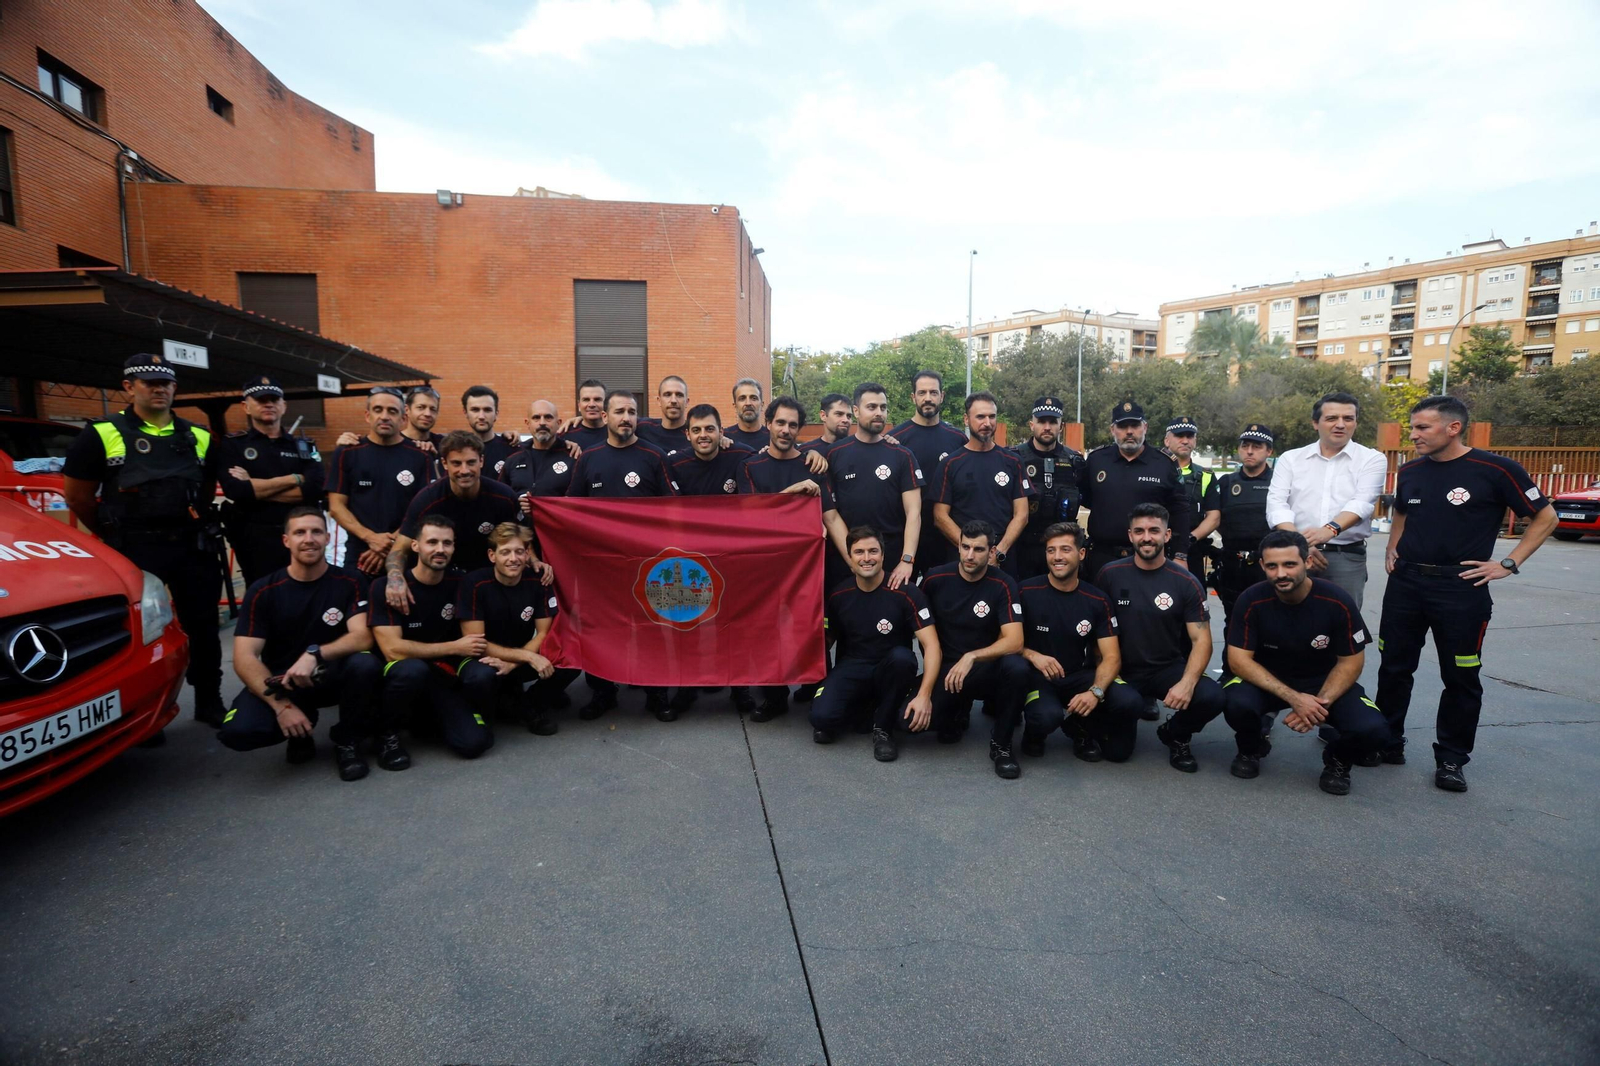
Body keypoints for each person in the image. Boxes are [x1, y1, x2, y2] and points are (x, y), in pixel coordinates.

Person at [1375, 395, 1557, 792]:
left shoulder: (1495, 469)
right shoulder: (1410, 471)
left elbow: (1546, 516)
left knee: (1460, 675)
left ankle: (1452, 759)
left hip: (1461, 589)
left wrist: (1507, 563)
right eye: (1413, 427)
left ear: (1453, 427)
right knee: (1393, 667)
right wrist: (1394, 546)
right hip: (1405, 584)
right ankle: (1386, 742)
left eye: (1422, 427)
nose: (1414, 434)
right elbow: (1403, 511)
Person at [61, 352, 226, 730]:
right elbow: (78, 497)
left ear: (174, 388)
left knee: (203, 627)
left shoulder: (198, 435)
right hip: (134, 547)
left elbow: (207, 490)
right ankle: (143, 710)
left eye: (165, 382)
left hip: (191, 546)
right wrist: (109, 534)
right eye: (149, 381)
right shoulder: (101, 433)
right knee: (140, 634)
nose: (158, 388)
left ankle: (209, 698)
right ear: (128, 386)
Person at [219, 507, 385, 781]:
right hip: (284, 683)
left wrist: (315, 654)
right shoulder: (263, 590)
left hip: (331, 676)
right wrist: (282, 706)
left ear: (327, 536)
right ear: (286, 540)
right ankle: (300, 729)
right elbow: (244, 658)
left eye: (316, 531)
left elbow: (363, 636)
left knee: (365, 664)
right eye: (300, 532)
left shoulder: (350, 581)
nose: (309, 539)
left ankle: (348, 740)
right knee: (239, 732)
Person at [1222, 530, 1389, 795]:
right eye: (1273, 566)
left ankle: (1338, 760)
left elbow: (1351, 663)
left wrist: (1318, 705)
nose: (1281, 574)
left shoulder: (1337, 601)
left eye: (1290, 564)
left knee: (1374, 730)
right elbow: (1238, 661)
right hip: (1270, 681)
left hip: (1322, 683)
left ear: (1308, 562)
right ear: (1263, 565)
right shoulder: (1251, 600)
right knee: (1234, 702)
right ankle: (1251, 748)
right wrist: (1295, 699)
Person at [568, 389, 681, 720]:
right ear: (605, 417)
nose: (626, 418)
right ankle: (603, 692)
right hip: (602, 565)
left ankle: (656, 694)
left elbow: (675, 509)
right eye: (619, 412)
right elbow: (572, 507)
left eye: (632, 412)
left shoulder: (654, 456)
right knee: (601, 628)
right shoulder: (589, 458)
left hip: (648, 563)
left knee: (651, 628)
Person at [739, 396, 850, 721]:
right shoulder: (750, 466)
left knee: (811, 633)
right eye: (780, 423)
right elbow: (748, 514)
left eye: (792, 425)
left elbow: (831, 517)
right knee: (768, 635)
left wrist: (854, 560)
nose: (786, 429)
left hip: (806, 572)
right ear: (769, 424)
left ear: (799, 429)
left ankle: (816, 691)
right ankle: (774, 699)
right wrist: (794, 491)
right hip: (765, 570)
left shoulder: (811, 465)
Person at [1094, 504, 1226, 772]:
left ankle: (1176, 734)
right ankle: (1109, 719)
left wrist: (1187, 684)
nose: (1146, 537)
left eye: (1154, 531)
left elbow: (1202, 641)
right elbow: (1096, 627)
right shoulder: (1109, 574)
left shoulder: (1186, 582)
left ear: (1167, 535)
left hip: (1166, 668)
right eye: (1139, 531)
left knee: (1212, 695)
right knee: (1117, 753)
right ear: (1130, 535)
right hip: (1120, 669)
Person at [1017, 522, 1145, 763]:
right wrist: (1032, 655)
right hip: (1037, 678)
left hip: (1078, 675)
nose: (1057, 557)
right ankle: (1035, 733)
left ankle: (1080, 727)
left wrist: (1094, 693)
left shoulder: (1097, 600)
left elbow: (1111, 657)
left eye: (1065, 549)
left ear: (1081, 553)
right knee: (1045, 717)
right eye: (1051, 550)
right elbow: (1006, 641)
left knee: (1130, 703)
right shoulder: (1025, 591)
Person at [368, 515, 493, 760]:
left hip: (441, 678)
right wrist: (454, 646)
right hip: (403, 677)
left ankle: (431, 721)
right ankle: (387, 735)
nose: (440, 549)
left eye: (447, 543)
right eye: (432, 542)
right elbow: (393, 649)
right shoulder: (387, 586)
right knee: (411, 670)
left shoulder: (462, 582)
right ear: (415, 545)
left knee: (475, 744)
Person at [810, 526, 939, 763]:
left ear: (883, 555)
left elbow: (932, 646)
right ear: (849, 557)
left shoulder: (907, 592)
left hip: (890, 667)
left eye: (873, 551)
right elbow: (825, 642)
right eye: (859, 552)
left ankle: (883, 729)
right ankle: (866, 707)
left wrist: (924, 696)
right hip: (853, 666)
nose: (867, 558)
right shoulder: (839, 595)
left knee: (903, 659)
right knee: (821, 719)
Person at [921, 521, 1029, 779]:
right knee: (912, 724)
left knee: (1017, 667)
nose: (970, 555)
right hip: (947, 668)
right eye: (965, 547)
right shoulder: (935, 578)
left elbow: (1015, 641)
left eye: (978, 549)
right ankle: (957, 710)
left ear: (992, 552)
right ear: (957, 546)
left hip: (985, 666)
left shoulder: (1004, 584)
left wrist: (972, 656)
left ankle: (1001, 745)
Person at [1265, 391, 1386, 611]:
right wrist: (1299, 545)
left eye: (1348, 419)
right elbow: (1276, 504)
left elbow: (1363, 502)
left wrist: (1329, 530)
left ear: (1355, 423)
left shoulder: (1372, 459)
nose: (1340, 424)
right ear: (1315, 423)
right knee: (1288, 619)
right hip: (1294, 554)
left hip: (1345, 557)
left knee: (1343, 622)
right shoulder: (1291, 459)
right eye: (1332, 418)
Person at [386, 431, 536, 607]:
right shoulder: (427, 500)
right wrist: (395, 579)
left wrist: (533, 559)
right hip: (443, 581)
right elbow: (399, 549)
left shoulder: (503, 497)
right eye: (456, 463)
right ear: (444, 464)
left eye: (471, 462)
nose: (464, 471)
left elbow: (520, 537)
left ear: (481, 461)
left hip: (488, 582)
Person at [457, 523, 579, 737]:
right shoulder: (474, 583)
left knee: (571, 655)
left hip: (518, 656)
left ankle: (529, 706)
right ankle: (488, 710)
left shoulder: (538, 580)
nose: (513, 558)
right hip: (484, 658)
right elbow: (475, 643)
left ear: (527, 554)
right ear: (492, 555)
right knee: (480, 677)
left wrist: (513, 663)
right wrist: (528, 658)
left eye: (519, 551)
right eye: (505, 552)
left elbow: (543, 634)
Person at [215, 376, 325, 589]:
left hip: (301, 538)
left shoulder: (303, 445)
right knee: (263, 595)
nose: (268, 404)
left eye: (274, 399)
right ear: (246, 406)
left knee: (307, 591)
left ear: (283, 406)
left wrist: (254, 486)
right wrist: (294, 478)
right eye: (260, 399)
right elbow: (236, 490)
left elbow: (315, 489)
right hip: (256, 539)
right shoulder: (233, 444)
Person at [820, 382, 923, 590]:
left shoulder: (902, 455)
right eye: (872, 407)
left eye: (883, 408)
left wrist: (907, 560)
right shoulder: (834, 454)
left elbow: (914, 512)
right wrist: (853, 561)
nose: (879, 413)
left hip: (894, 563)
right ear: (856, 411)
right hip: (847, 562)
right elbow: (830, 515)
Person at [1078, 401, 1191, 584]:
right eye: (1122, 426)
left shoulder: (1164, 463)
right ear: (1112, 430)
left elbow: (1180, 511)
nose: (1129, 431)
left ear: (1145, 427)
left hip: (1149, 557)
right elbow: (1089, 499)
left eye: (1135, 425)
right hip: (1102, 557)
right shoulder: (1096, 461)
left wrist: (1181, 555)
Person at [325, 387, 432, 574]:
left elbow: (425, 509)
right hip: (360, 556)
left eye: (392, 411)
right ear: (367, 415)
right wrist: (371, 538)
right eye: (378, 410)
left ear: (403, 419)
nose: (384, 416)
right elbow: (336, 507)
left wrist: (391, 543)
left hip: (406, 555)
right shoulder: (346, 453)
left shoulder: (421, 456)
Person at [932, 391, 1031, 578]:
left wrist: (998, 553)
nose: (987, 423)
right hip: (962, 561)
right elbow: (939, 516)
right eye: (980, 417)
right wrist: (972, 551)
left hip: (1002, 560)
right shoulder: (950, 464)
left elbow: (1022, 515)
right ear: (966, 420)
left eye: (991, 416)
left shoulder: (1013, 461)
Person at [891, 370, 970, 577]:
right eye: (922, 392)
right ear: (913, 397)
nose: (928, 398)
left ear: (942, 396)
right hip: (905, 537)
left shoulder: (957, 439)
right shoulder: (895, 439)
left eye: (933, 392)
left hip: (946, 539)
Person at [1011, 396, 1086, 583]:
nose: (1047, 427)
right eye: (1041, 421)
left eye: (1053, 422)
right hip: (1023, 548)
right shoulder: (1013, 459)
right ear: (1031, 424)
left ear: (1061, 427)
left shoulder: (1074, 461)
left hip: (1062, 551)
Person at [1213, 424, 1277, 637]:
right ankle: (1230, 669)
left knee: (1269, 619)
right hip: (1233, 562)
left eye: (1257, 446)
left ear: (1269, 451)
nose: (1249, 451)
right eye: (1245, 445)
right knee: (1233, 619)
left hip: (1268, 562)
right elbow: (1216, 519)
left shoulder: (1279, 482)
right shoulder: (1226, 482)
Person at [1164, 415, 1220, 588]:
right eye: (1180, 436)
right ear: (1167, 440)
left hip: (1191, 551)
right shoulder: (1154, 470)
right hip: (1155, 549)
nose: (1185, 441)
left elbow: (1214, 517)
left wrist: (1190, 539)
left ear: (1195, 441)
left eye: (1189, 436)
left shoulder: (1205, 475)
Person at [669, 403, 753, 497]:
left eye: (709, 429)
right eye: (696, 430)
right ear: (688, 435)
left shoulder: (742, 456)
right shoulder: (675, 464)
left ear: (721, 432)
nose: (703, 435)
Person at [461, 385, 517, 480]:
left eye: (487, 410)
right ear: (465, 413)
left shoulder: (512, 449)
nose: (481, 416)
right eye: (475, 410)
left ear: (496, 414)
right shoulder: (456, 449)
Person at [636, 375, 693, 457]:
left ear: (687, 402)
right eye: (667, 394)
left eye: (679, 395)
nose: (673, 400)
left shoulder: (695, 434)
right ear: (659, 401)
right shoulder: (643, 428)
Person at [563, 379, 611, 451]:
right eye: (586, 400)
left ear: (607, 404)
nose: (591, 404)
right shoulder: (565, 436)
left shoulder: (617, 431)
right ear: (579, 405)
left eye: (597, 399)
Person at [724, 377, 771, 450]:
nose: (748, 403)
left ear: (762, 405)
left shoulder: (773, 439)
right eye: (742, 398)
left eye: (754, 398)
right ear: (735, 406)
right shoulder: (724, 438)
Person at [402, 385, 446, 450]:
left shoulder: (443, 444)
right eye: (421, 407)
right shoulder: (393, 443)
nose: (427, 414)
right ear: (407, 410)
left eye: (432, 409)